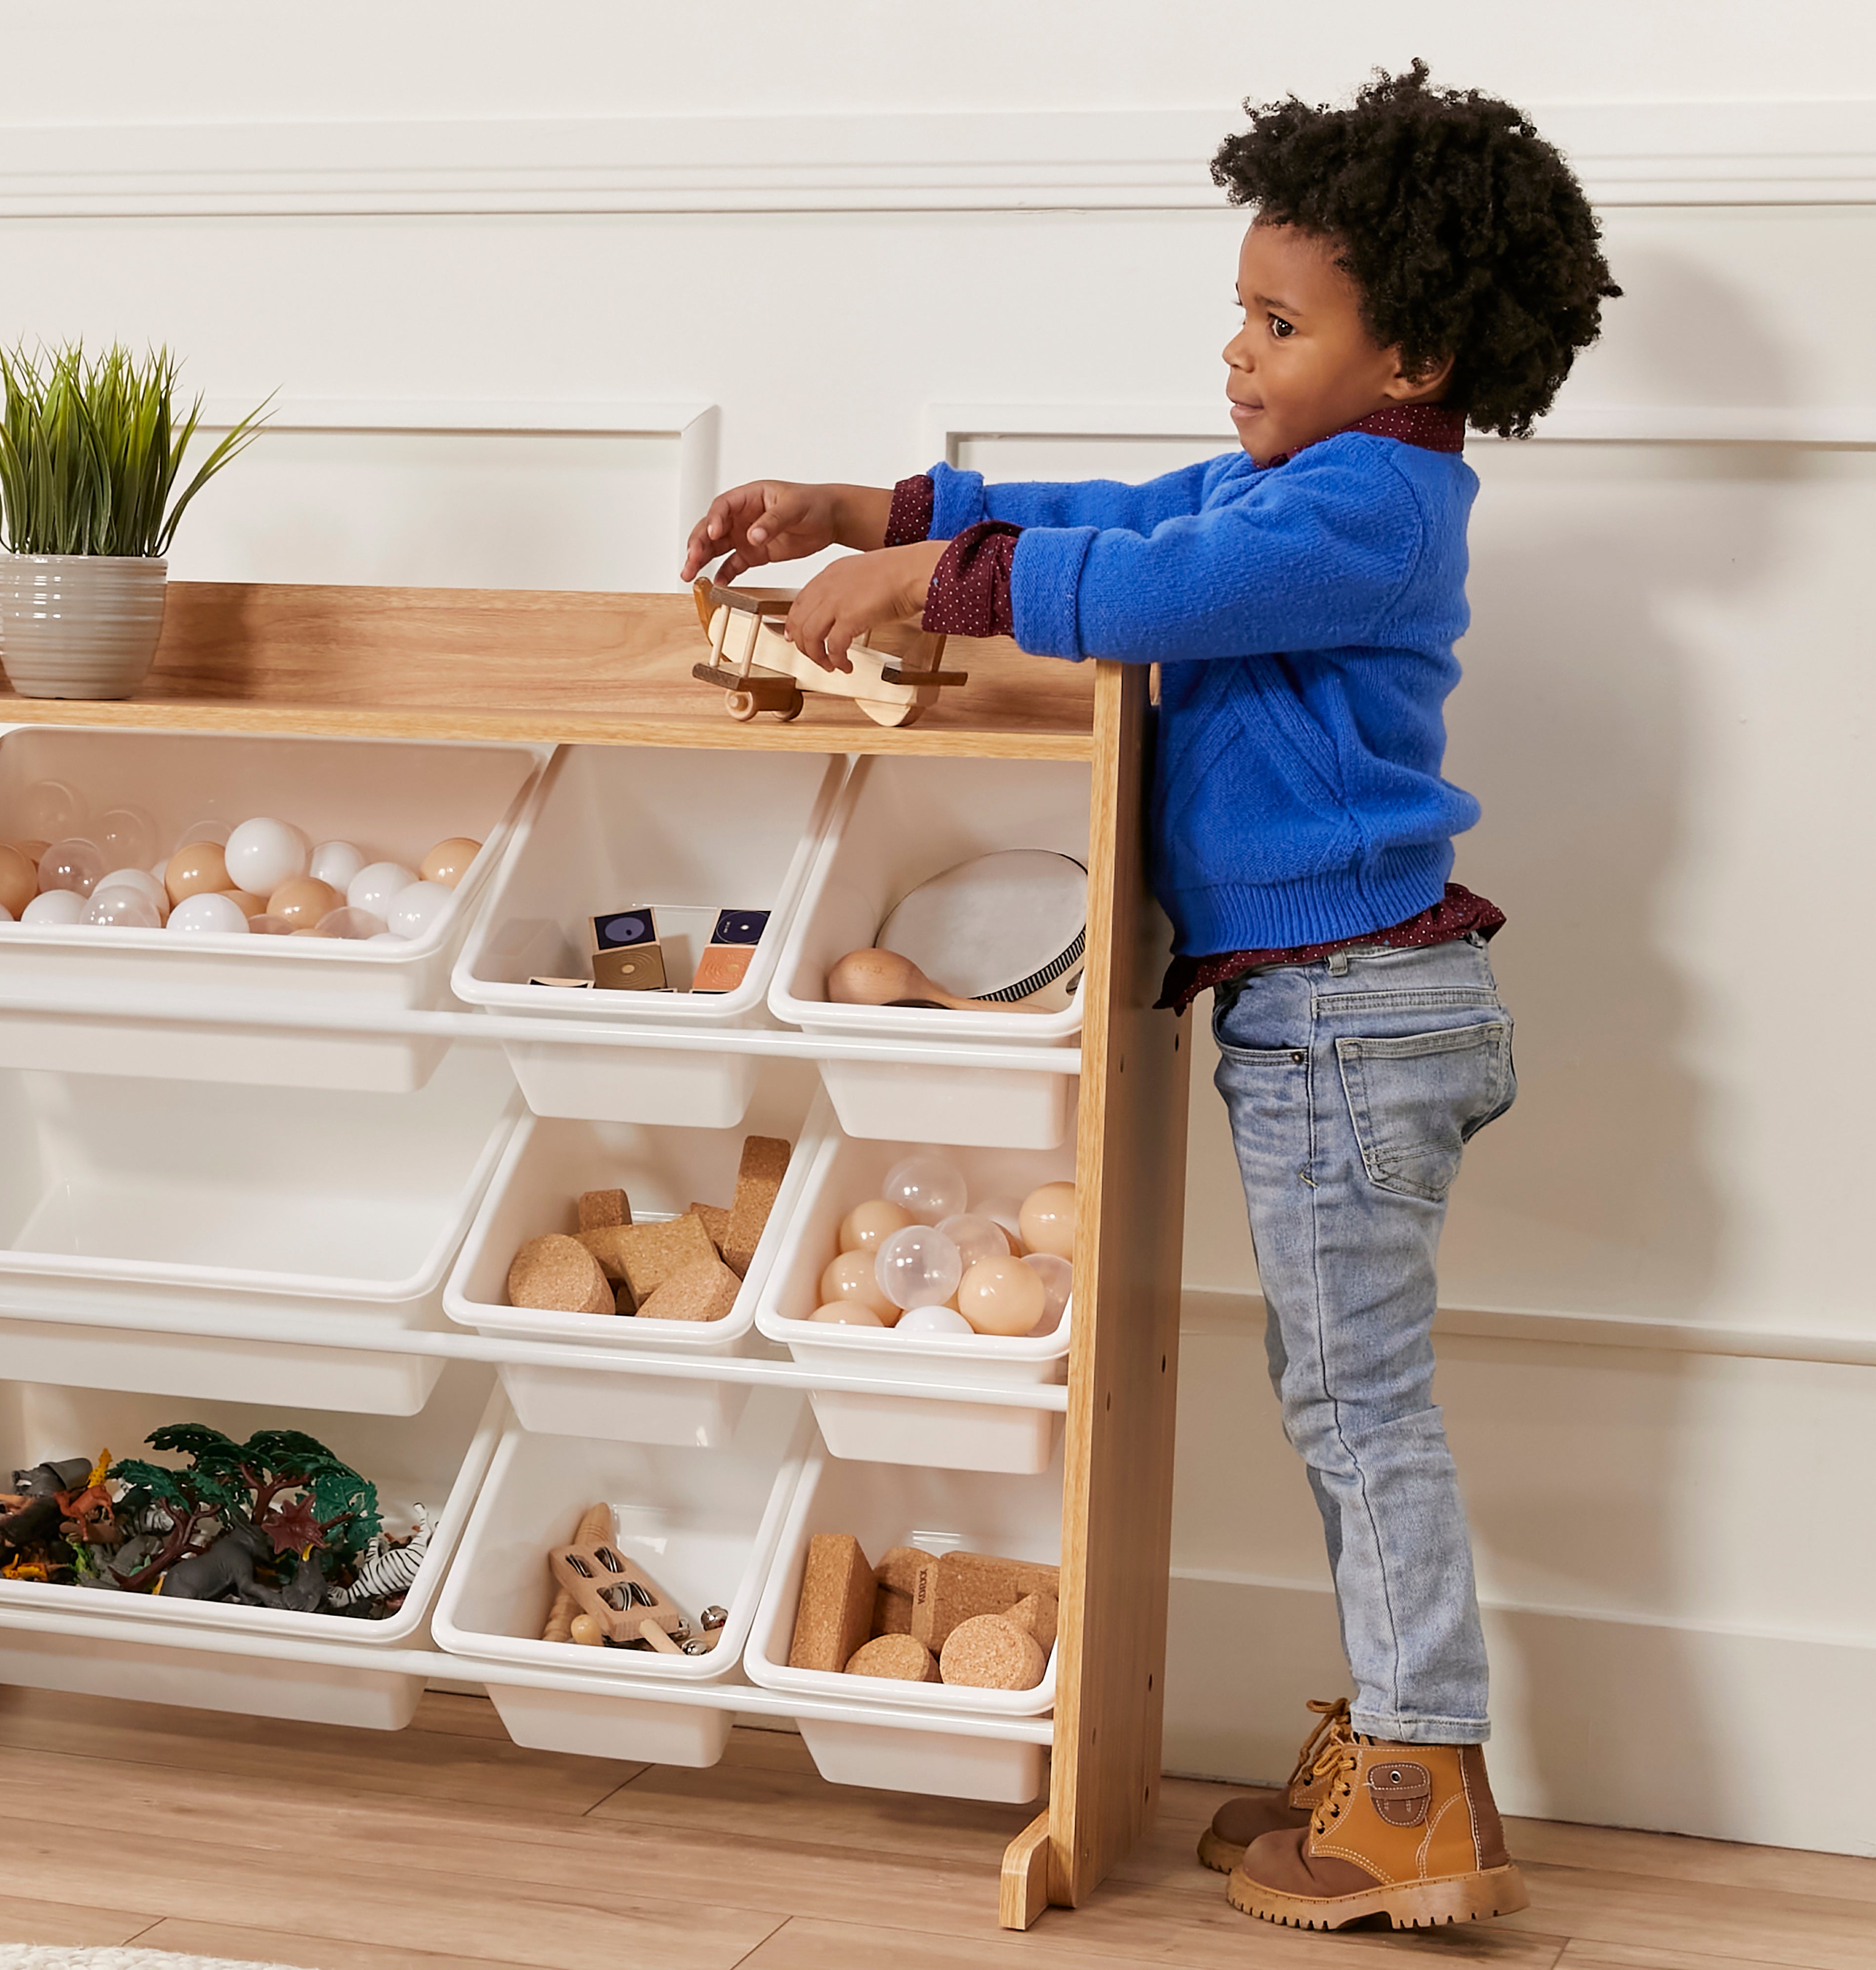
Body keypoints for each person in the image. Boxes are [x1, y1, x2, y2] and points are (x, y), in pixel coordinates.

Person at [681, 62, 1619, 1934]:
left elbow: (1148, 576)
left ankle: (1424, 1783)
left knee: (1361, 1408)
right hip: (1335, 1011)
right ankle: (1404, 1751)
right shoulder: (1309, 476)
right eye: (1240, 312)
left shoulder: (1363, 515)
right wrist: (876, 504)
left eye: (1281, 322)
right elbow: (1122, 503)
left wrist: (928, 583)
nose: (1236, 353)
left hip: (1357, 1016)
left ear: (1413, 348)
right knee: (1339, 1392)